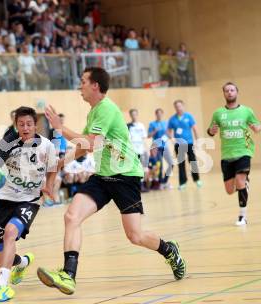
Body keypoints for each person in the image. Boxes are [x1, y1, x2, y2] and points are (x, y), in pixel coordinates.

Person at [37, 67, 186, 295]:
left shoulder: (106, 109)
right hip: (102, 177)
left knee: (135, 236)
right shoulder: (94, 111)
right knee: (71, 216)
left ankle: (169, 250)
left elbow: (92, 142)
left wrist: (60, 127)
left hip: (125, 176)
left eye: (83, 81)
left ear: (95, 85)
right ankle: (68, 275)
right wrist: (57, 166)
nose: (80, 86)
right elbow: (83, 146)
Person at [0, 106, 58, 303]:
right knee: (1, 260)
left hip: (30, 200)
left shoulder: (46, 146)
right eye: (21, 124)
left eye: (29, 124)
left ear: (35, 125)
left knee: (11, 232)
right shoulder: (7, 142)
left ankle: (2, 288)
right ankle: (23, 262)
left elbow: (53, 167)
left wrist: (49, 185)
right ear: (15, 125)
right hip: (5, 199)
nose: (25, 128)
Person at [207, 82, 261, 226]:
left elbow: (257, 126)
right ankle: (244, 183)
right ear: (224, 94)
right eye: (226, 91)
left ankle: (242, 217)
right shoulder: (218, 113)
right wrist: (211, 131)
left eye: (232, 90)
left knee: (240, 181)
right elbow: (211, 130)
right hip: (227, 154)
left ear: (237, 92)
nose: (229, 92)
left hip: (244, 151)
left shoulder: (246, 111)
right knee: (230, 190)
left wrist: (256, 128)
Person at [167, 100, 202, 190]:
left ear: (183, 106)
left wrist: (197, 141)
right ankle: (183, 183)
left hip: (189, 143)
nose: (178, 108)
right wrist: (172, 139)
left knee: (192, 161)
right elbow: (169, 131)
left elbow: (195, 129)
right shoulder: (172, 119)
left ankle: (197, 179)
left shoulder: (188, 116)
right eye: (176, 106)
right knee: (181, 164)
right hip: (178, 144)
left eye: (180, 106)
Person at [148, 108, 173, 189]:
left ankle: (165, 181)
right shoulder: (152, 124)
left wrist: (167, 133)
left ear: (162, 114)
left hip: (165, 147)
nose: (159, 115)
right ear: (156, 114)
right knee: (159, 165)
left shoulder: (166, 123)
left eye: (160, 113)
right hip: (156, 147)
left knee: (171, 163)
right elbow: (149, 136)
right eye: (157, 113)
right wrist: (155, 131)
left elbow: (170, 136)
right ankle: (160, 183)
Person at [127, 109, 149, 191]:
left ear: (137, 114)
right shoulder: (128, 126)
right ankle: (134, 186)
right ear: (130, 115)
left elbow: (144, 138)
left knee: (142, 168)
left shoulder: (141, 125)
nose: (134, 116)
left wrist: (146, 149)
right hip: (133, 150)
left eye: (135, 114)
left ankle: (142, 185)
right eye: (132, 114)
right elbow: (127, 139)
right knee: (133, 168)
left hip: (141, 150)